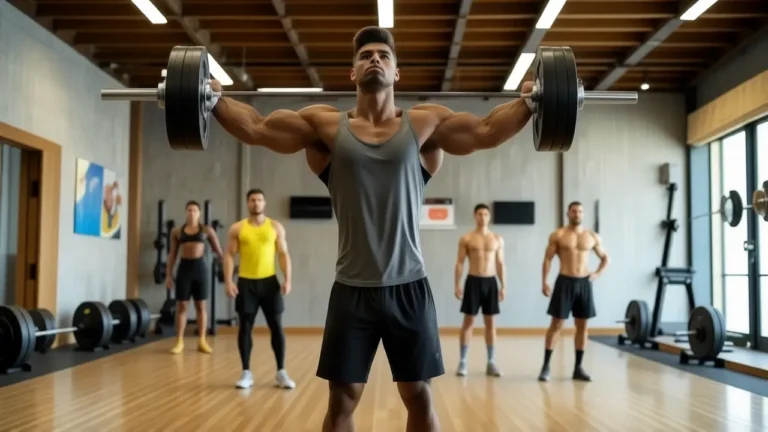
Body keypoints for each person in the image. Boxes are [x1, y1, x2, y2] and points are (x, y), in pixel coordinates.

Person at [210, 26, 534, 432]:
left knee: (419, 395)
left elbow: (486, 130)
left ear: (396, 72)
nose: (374, 59)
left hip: (409, 286)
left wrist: (529, 102)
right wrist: (214, 99)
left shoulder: (425, 124)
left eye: (383, 55)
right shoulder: (325, 126)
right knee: (342, 399)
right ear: (353, 72)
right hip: (352, 289)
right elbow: (258, 127)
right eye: (365, 55)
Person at [223, 188, 296, 390]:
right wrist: (228, 281)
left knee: (276, 326)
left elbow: (283, 254)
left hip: (269, 283)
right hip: (246, 284)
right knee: (245, 327)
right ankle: (246, 372)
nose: (256, 203)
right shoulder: (237, 228)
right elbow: (229, 255)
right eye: (253, 200)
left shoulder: (275, 227)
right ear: (248, 203)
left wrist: (288, 280)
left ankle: (281, 372)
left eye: (259, 200)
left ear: (264, 203)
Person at [538, 201, 609, 382]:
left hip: (584, 283)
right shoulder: (558, 235)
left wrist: (597, 274)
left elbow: (605, 258)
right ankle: (546, 366)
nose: (577, 214)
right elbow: (548, 259)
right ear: (568, 213)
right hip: (564, 281)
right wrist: (544, 282)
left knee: (582, 326)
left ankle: (578, 367)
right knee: (556, 324)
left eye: (580, 212)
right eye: (574, 211)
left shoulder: (591, 236)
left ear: (583, 214)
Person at [165, 200, 224, 355]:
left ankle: (202, 340)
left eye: (195, 210)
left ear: (199, 213)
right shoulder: (177, 232)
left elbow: (220, 252)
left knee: (201, 307)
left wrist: (227, 269)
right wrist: (168, 275)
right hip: (184, 269)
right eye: (189, 210)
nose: (192, 213)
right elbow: (172, 254)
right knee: (182, 307)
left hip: (200, 269)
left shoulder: (207, 230)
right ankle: (179, 341)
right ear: (186, 212)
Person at [454, 203, 505, 378]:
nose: (482, 217)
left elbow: (500, 263)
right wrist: (457, 284)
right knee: (469, 321)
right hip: (473, 281)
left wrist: (503, 285)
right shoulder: (467, 238)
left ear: (489, 217)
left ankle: (491, 362)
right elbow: (460, 263)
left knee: (490, 322)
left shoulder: (497, 239)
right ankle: (463, 361)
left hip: (491, 282)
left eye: (485, 214)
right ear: (475, 216)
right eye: (479, 214)